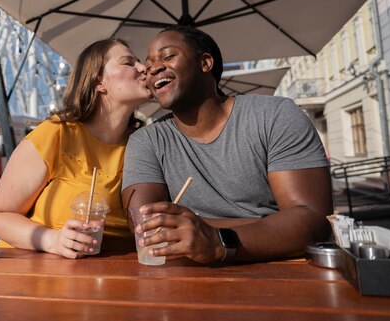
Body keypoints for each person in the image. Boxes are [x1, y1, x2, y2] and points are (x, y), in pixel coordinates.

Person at [121, 25, 332, 264]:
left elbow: (313, 220)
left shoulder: (275, 115)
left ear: (205, 62)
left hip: (283, 275)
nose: (153, 69)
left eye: (168, 56)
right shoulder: (146, 141)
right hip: (188, 283)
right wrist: (269, 222)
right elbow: (148, 229)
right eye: (148, 67)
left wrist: (217, 240)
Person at [0, 38, 151, 259]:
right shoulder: (57, 133)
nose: (144, 68)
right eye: (129, 63)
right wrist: (52, 240)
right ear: (99, 82)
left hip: (108, 281)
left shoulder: (145, 146)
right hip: (27, 274)